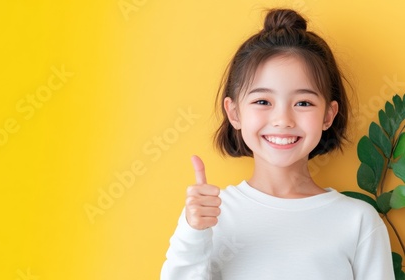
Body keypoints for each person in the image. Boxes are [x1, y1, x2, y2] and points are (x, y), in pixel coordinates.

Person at [160, 8, 394, 280]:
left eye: (303, 103)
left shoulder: (358, 221)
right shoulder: (210, 215)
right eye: (263, 102)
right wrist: (193, 233)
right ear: (234, 112)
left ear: (328, 115)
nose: (283, 119)